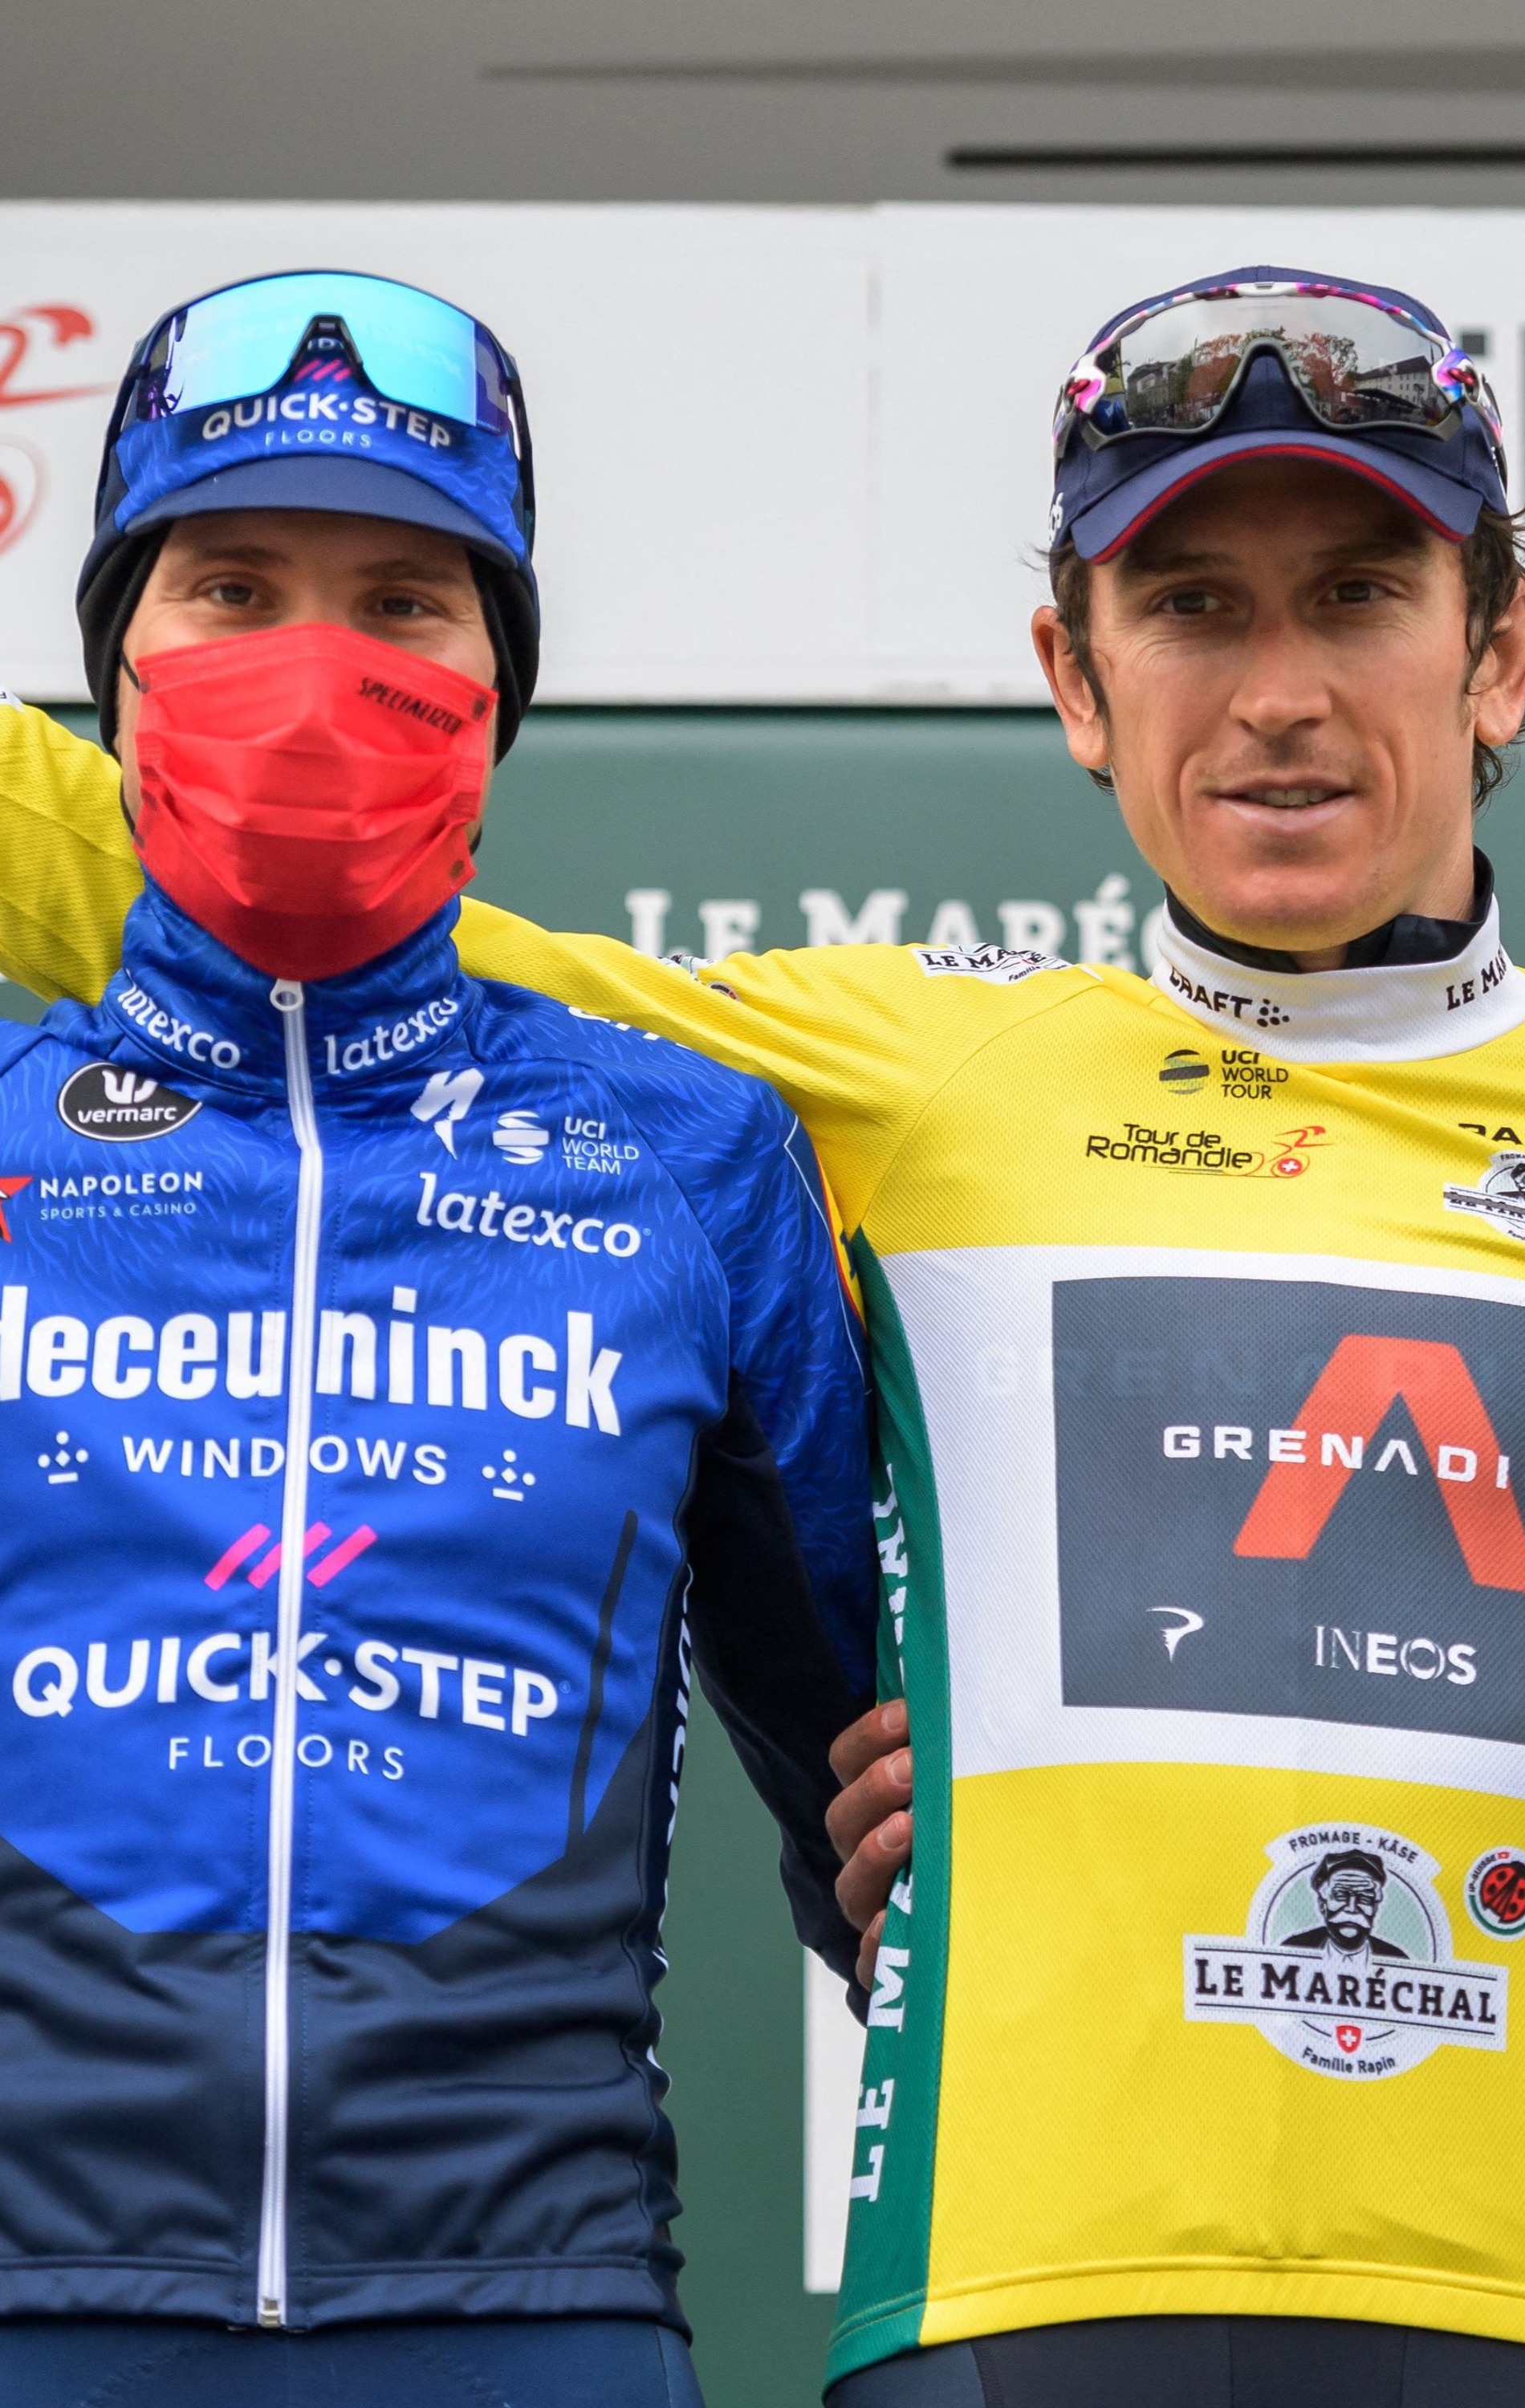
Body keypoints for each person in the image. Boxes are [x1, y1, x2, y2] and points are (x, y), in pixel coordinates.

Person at [0, 268, 1525, 2406]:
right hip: (1003, 2304)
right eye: (1189, 608)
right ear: (1073, 679)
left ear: (1505, 650)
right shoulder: (873, 1085)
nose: (1279, 696)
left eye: (1359, 595)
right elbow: (307, 945)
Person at [0, 271, 879, 2407]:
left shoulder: (694, 1160)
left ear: (498, 688)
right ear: (115, 672)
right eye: (232, 588)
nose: (314, 673)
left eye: (404, 601)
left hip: (533, 2311)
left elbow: (876, 1808)